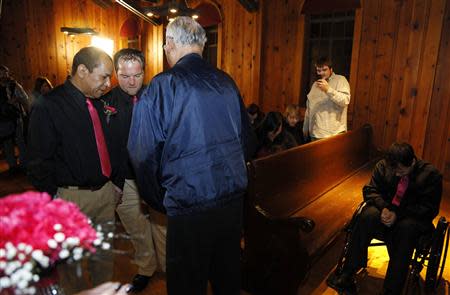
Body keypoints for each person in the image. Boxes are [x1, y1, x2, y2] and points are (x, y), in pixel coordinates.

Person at [128, 16, 253, 295]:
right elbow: (248, 140)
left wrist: (160, 199)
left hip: (190, 204)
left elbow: (142, 153)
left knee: (187, 283)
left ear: (169, 44)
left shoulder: (162, 85)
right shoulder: (226, 81)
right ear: (201, 45)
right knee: (227, 278)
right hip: (231, 202)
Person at [27, 47, 118, 293]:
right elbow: (37, 160)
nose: (108, 83)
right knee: (72, 266)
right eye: (103, 77)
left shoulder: (99, 103)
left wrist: (113, 185)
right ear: (82, 71)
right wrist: (56, 198)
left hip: (105, 195)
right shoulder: (49, 105)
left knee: (104, 258)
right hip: (71, 198)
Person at [327, 142, 442, 295]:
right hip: (387, 209)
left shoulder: (430, 175)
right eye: (394, 170)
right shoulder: (384, 166)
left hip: (411, 217)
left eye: (401, 170)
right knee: (366, 215)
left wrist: (398, 214)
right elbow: (370, 190)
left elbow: (429, 208)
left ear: (412, 162)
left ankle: (391, 290)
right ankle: (347, 274)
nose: (397, 174)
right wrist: (384, 207)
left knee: (405, 229)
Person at [103, 48, 166, 293]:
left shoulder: (158, 97)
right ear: (116, 74)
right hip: (123, 178)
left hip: (155, 177)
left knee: (162, 225)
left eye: (137, 75)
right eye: (125, 75)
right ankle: (146, 268)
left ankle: (166, 267)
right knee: (136, 226)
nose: (131, 82)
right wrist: (114, 181)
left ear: (144, 72)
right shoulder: (106, 102)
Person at [303, 56, 350, 141]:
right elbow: (309, 108)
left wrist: (328, 90)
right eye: (318, 70)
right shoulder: (315, 85)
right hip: (315, 134)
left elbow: (345, 100)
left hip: (333, 134)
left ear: (331, 69)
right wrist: (305, 129)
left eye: (324, 70)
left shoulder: (340, 80)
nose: (321, 73)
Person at [0, 65, 29, 173]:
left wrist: (17, 99)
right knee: (7, 144)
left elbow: (25, 99)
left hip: (16, 118)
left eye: (5, 73)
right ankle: (12, 166)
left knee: (21, 141)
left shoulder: (15, 85)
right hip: (3, 120)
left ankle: (24, 164)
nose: (4, 75)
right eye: (1, 73)